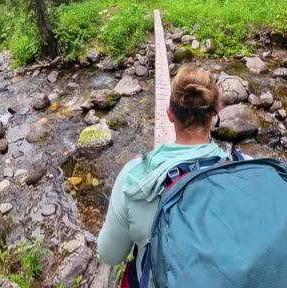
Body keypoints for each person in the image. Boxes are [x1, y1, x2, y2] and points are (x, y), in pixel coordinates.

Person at [97, 64, 228, 283]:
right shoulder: (245, 166)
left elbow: (110, 254)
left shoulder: (135, 177)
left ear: (169, 115)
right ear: (217, 110)